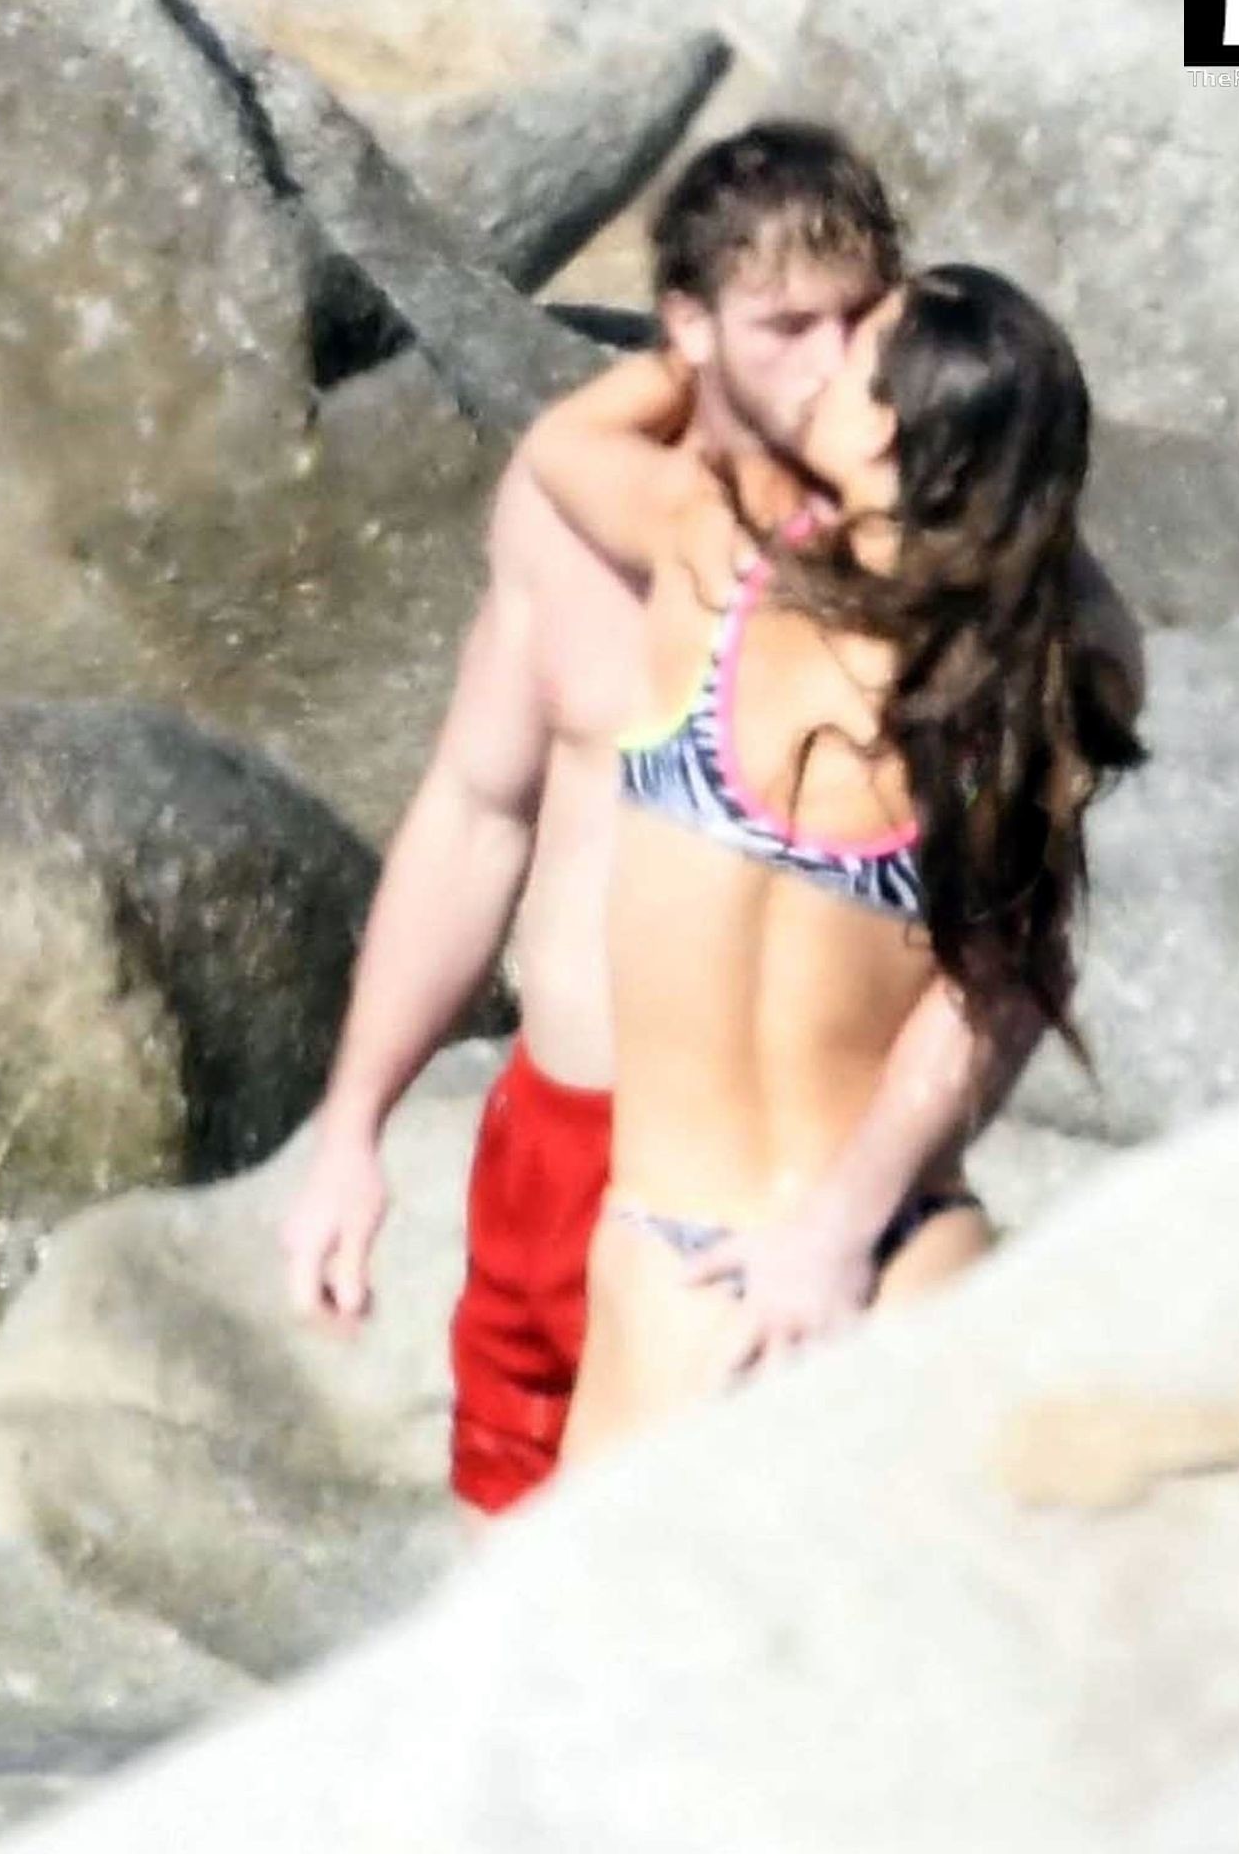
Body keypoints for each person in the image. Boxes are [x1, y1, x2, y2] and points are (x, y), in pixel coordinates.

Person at [279, 124, 1091, 1516]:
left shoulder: (979, 593)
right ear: (689, 328)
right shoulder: (608, 521)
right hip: (573, 1151)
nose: (828, 362)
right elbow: (474, 816)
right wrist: (352, 1126)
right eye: (786, 327)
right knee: (528, 1585)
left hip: (812, 1187)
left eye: (859, 325)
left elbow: (1011, 955)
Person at [521, 264, 1147, 1460]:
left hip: (683, 1273)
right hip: (889, 1255)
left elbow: (567, 444)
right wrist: (837, 1234)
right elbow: (1001, 982)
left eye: (849, 350)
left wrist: (710, 339)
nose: (817, 359)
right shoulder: (1038, 673)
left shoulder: (712, 557)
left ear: (884, 438)